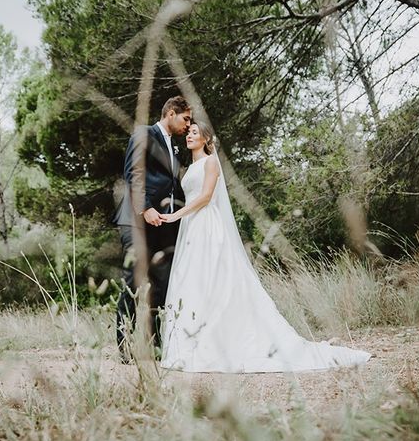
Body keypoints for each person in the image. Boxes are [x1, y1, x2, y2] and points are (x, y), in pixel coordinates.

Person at [159, 121, 371, 372]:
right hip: (191, 227)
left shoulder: (211, 163)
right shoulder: (190, 167)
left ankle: (217, 340)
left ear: (206, 139)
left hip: (206, 225)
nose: (189, 136)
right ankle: (188, 341)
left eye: (195, 133)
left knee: (212, 277)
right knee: (192, 280)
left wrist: (175, 215)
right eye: (189, 133)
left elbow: (205, 197)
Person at [113, 95, 191, 362]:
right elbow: (133, 173)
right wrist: (145, 208)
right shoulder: (144, 133)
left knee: (161, 286)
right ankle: (124, 348)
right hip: (136, 220)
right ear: (170, 113)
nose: (187, 125)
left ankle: (155, 347)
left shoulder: (176, 147)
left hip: (163, 225)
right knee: (133, 281)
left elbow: (173, 186)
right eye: (185, 119)